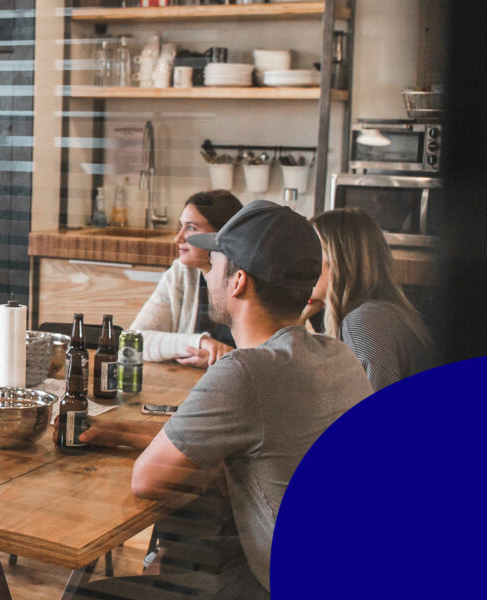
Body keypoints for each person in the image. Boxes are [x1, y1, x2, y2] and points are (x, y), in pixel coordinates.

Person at [74, 201, 373, 599]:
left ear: (238, 282)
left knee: (88, 595)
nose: (207, 272)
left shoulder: (247, 371)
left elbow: (147, 479)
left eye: (214, 262)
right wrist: (117, 430)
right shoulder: (335, 354)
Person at [303, 208, 435, 391]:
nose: (303, 261)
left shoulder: (364, 322)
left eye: (313, 250)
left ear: (339, 259)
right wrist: (299, 319)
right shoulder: (381, 312)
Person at [130, 190, 243, 367]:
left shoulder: (250, 280)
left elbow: (267, 356)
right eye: (181, 226)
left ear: (222, 235)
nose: (178, 238)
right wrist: (201, 343)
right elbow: (134, 339)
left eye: (191, 228)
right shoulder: (180, 273)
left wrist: (222, 359)